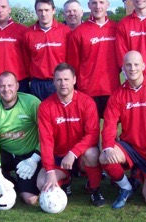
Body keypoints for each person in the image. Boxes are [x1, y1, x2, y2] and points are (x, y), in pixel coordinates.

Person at [100, 50, 146, 209]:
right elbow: (109, 124)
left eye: (136, 64)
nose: (132, 68)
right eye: (128, 65)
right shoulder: (118, 94)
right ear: (123, 68)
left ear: (143, 66)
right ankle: (126, 187)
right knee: (105, 156)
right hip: (130, 148)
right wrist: (107, 146)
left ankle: (140, 176)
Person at [37, 63, 104, 206]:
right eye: (59, 80)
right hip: (59, 159)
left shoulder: (87, 102)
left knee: (92, 153)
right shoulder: (46, 106)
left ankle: (94, 189)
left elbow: (92, 134)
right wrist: (50, 171)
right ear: (53, 81)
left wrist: (73, 153)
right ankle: (66, 180)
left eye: (66, 79)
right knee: (41, 183)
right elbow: (46, 141)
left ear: (74, 80)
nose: (63, 84)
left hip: (80, 157)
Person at [0, 71, 42, 205]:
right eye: (2, 86)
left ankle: (19, 185)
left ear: (17, 86)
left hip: (28, 155)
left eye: (10, 85)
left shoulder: (32, 102)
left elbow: (46, 133)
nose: (6, 89)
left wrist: (34, 159)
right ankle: (5, 179)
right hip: (6, 153)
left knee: (30, 200)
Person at [67, 0, 121, 118]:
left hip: (112, 88)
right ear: (88, 5)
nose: (98, 6)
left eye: (101, 2)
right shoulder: (79, 32)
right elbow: (73, 65)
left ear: (107, 5)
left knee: (112, 130)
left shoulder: (117, 29)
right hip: (88, 90)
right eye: (94, 3)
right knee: (90, 131)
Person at [23, 0, 70, 101]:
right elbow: (26, 60)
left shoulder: (65, 31)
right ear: (36, 12)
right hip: (37, 83)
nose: (43, 14)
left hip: (59, 81)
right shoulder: (28, 34)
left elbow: (71, 58)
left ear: (53, 10)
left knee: (59, 115)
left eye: (46, 10)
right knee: (38, 115)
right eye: (40, 10)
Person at [0, 0, 30, 100]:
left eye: (3, 7)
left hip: (20, 83)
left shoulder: (22, 31)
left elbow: (28, 57)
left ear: (9, 9)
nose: (0, 10)